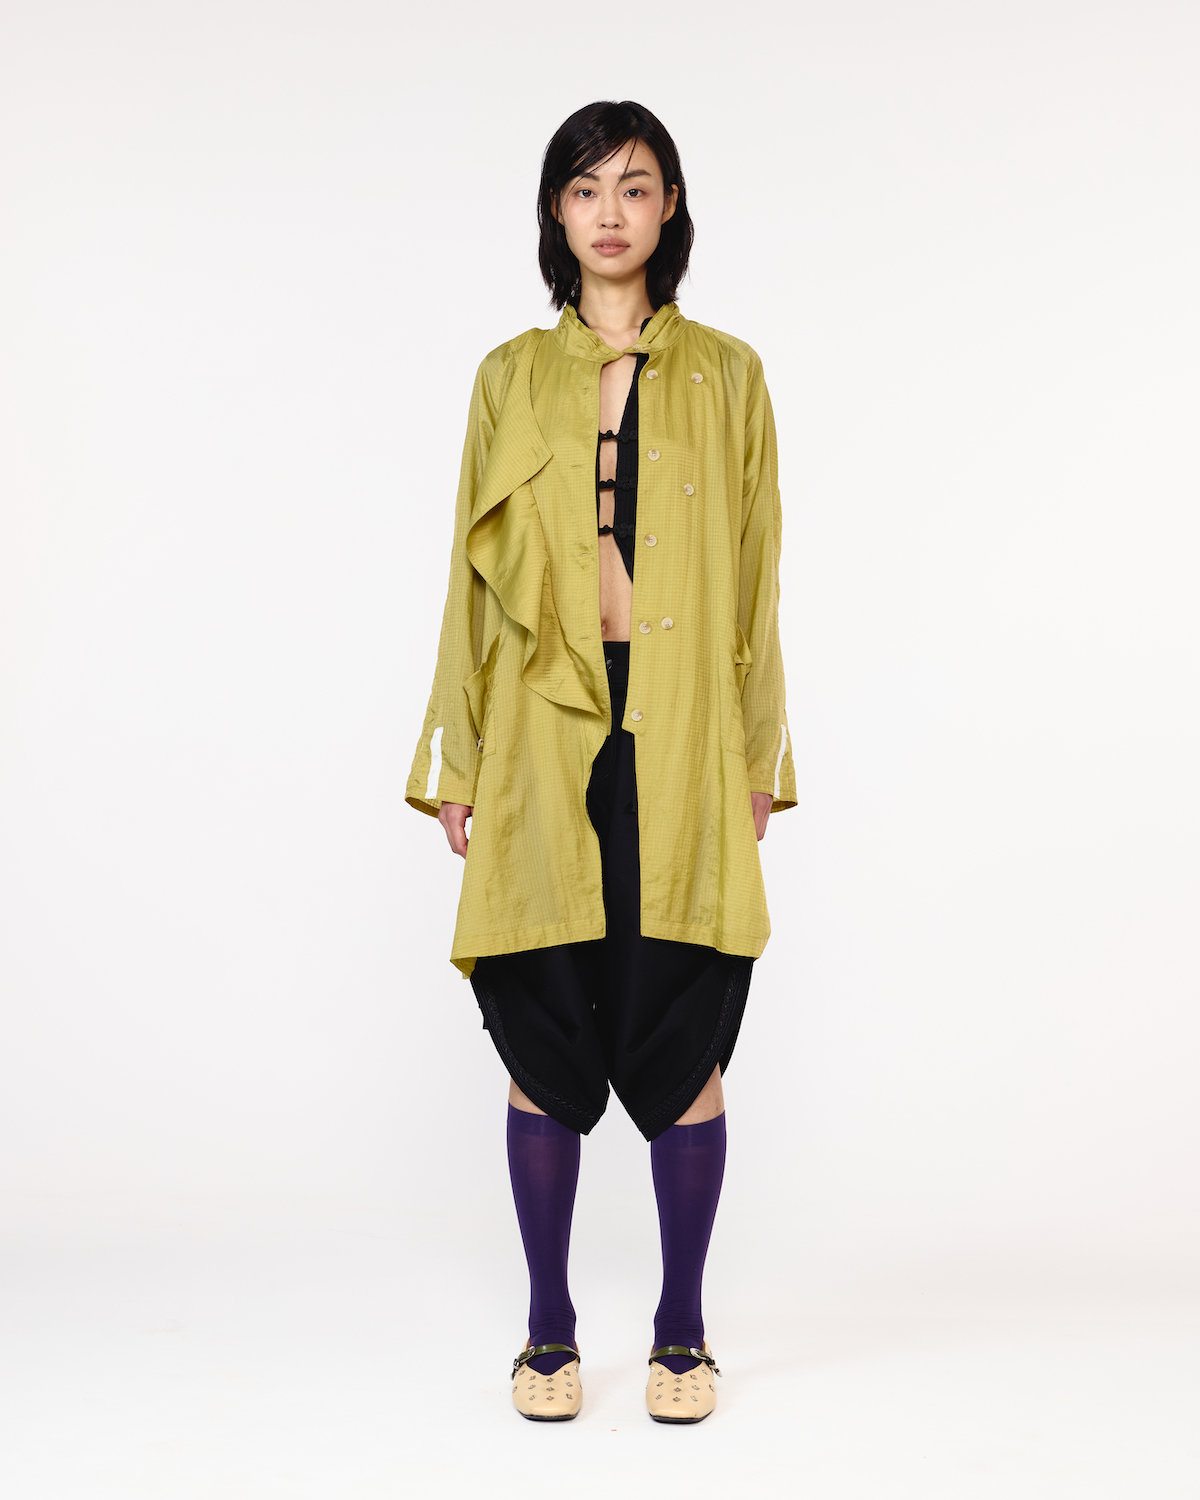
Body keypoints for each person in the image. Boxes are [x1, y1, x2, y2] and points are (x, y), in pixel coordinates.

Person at [407, 99, 795, 1424]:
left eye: (635, 185)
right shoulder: (508, 377)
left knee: (685, 1011)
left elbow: (757, 579)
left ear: (670, 205)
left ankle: (684, 1333)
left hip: (685, 728)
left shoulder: (731, 374)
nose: (611, 211)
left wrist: (757, 748)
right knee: (541, 1002)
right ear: (556, 213)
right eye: (585, 189)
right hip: (539, 724)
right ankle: (548, 1331)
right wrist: (459, 753)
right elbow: (468, 580)